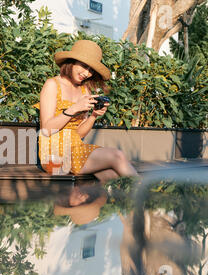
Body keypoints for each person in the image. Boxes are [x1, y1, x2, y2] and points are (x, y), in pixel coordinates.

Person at [35, 40, 138, 182]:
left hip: (76, 148)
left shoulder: (85, 90)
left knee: (112, 176)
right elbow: (46, 128)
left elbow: (79, 133)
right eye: (84, 66)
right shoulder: (52, 85)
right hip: (53, 155)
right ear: (72, 62)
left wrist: (93, 116)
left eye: (91, 70)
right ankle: (147, 198)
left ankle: (117, 202)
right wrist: (74, 108)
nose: (87, 73)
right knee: (117, 156)